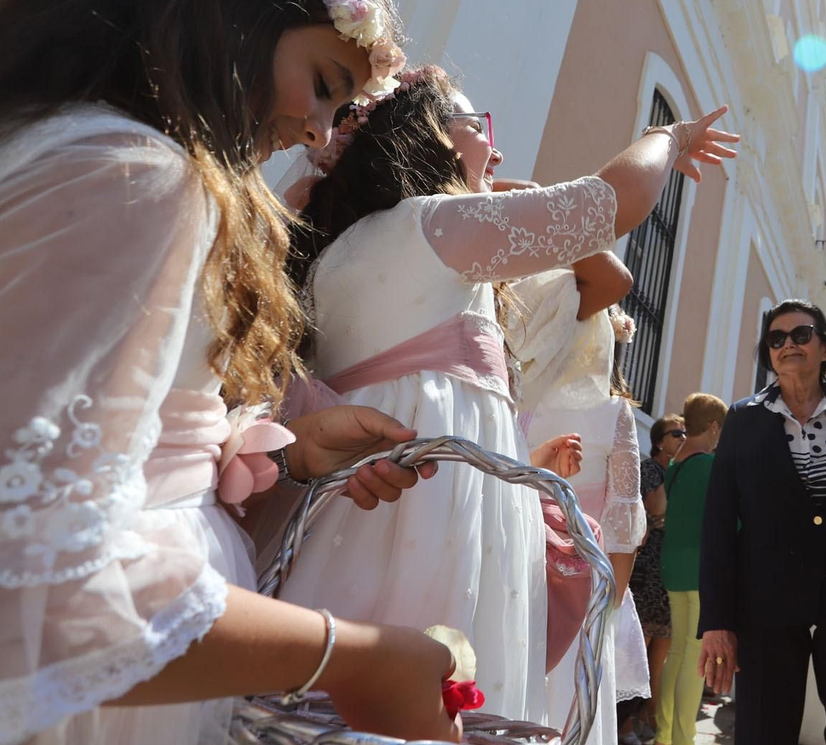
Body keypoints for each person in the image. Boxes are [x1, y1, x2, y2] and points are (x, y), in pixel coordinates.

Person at [0, 0, 461, 744]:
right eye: (323, 81)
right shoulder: (128, 177)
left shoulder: (55, 139)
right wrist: (362, 656)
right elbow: (27, 591)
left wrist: (279, 452)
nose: (316, 130)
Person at [275, 64, 738, 724]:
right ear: (428, 137)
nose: (494, 148)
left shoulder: (336, 256)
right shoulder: (428, 227)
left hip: (352, 519)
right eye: (477, 127)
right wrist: (669, 135)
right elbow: (608, 205)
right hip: (439, 524)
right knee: (437, 704)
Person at [697, 300, 826, 745]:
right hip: (765, 607)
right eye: (776, 338)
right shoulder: (744, 419)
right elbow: (717, 521)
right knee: (764, 731)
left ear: (825, 347)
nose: (788, 344)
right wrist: (717, 619)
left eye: (801, 335)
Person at [510, 271, 653, 744]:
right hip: (572, 583)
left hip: (537, 577)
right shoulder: (610, 413)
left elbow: (622, 521)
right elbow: (623, 524)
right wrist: (606, 609)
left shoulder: (524, 404)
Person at [654, 393, 728, 745]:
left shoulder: (676, 466)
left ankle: (666, 735)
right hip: (701, 569)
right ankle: (683, 738)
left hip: (674, 566)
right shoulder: (710, 467)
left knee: (678, 653)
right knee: (694, 655)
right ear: (713, 426)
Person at [623, 413, 684, 743]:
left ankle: (648, 714)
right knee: (640, 646)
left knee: (661, 647)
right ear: (660, 440)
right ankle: (627, 722)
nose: (682, 439)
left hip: (665, 571)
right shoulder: (651, 469)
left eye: (686, 433)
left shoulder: (678, 472)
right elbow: (656, 509)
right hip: (646, 571)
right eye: (677, 433)